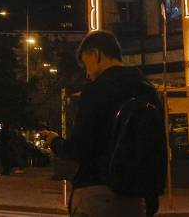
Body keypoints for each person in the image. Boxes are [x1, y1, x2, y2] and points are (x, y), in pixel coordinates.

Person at [60, 30, 163, 217]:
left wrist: (55, 142)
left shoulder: (96, 90)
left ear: (95, 54)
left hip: (98, 191)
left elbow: (79, 148)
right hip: (138, 197)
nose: (88, 74)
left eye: (86, 65)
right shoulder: (149, 91)